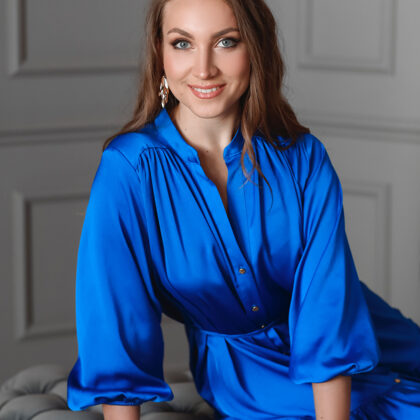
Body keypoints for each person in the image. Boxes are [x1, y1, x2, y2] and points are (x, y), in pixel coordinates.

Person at [66, 0, 420, 419]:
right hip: (248, 374)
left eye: (226, 42)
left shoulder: (304, 159)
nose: (203, 69)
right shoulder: (129, 170)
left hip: (368, 339)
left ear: (256, 48)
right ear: (159, 52)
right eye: (182, 43)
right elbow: (115, 323)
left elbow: (329, 306)